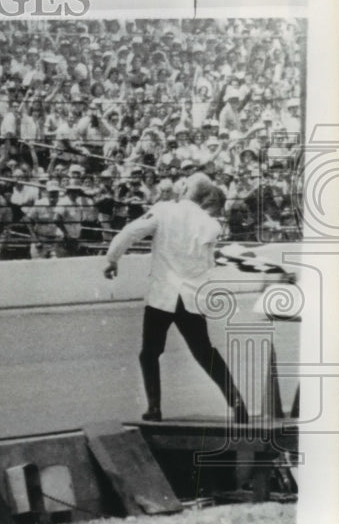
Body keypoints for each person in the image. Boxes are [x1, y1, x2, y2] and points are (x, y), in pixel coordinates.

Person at [103, 173, 249, 423]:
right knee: (204, 351)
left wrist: (112, 259)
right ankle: (237, 404)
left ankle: (154, 408)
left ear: (186, 189)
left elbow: (130, 232)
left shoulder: (163, 210)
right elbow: (207, 261)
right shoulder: (210, 223)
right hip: (190, 297)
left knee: (149, 353)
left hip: (162, 295)